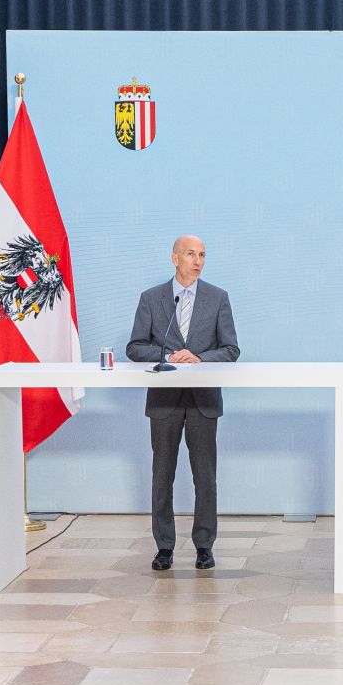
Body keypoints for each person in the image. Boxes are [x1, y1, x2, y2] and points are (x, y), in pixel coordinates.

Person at [126, 235, 240, 572]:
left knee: (205, 477)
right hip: (165, 401)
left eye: (202, 254)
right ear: (175, 258)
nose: (198, 260)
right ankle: (164, 547)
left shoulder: (218, 298)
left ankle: (204, 545)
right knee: (162, 475)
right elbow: (135, 346)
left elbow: (231, 350)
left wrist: (199, 357)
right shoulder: (152, 298)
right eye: (191, 254)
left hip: (204, 399)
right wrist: (170, 356)